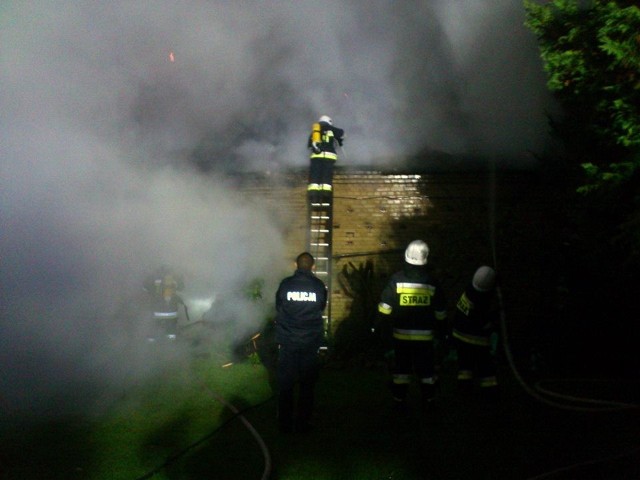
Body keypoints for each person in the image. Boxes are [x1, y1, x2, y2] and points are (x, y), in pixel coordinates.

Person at [378, 240, 447, 412]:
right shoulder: (432, 283)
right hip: (425, 339)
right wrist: (442, 332)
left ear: (406, 257)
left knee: (401, 372)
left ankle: (399, 401)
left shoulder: (396, 280)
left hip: (401, 337)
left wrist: (379, 327)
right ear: (425, 259)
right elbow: (440, 312)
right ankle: (429, 401)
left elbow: (384, 309)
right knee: (427, 372)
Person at [274, 252, 328, 433]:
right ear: (313, 266)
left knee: (286, 385)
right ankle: (303, 423)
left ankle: (284, 423)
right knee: (307, 385)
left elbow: (279, 306)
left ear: (296, 265)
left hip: (288, 342)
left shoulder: (285, 284)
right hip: (310, 343)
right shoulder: (319, 286)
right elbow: (321, 307)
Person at [452, 265, 499, 392]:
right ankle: (490, 389)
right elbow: (484, 322)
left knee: (465, 364)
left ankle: (464, 387)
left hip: (459, 333)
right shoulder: (482, 300)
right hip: (476, 339)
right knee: (485, 365)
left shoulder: (469, 289)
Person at [307, 115, 345, 203]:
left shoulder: (315, 131)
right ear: (329, 121)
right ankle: (325, 195)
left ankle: (313, 194)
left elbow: (309, 146)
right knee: (326, 175)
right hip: (328, 157)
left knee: (315, 175)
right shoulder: (332, 129)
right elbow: (342, 133)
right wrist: (339, 141)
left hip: (316, 157)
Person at [143, 265, 186, 342]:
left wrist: (154, 291)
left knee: (153, 328)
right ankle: (171, 345)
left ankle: (150, 345)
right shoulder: (174, 277)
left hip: (156, 311)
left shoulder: (153, 277)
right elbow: (182, 288)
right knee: (171, 330)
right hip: (171, 311)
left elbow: (145, 288)